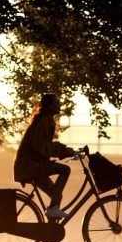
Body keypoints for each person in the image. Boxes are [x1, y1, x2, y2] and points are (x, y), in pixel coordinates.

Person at [13, 93, 75, 221]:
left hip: (32, 165)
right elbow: (39, 146)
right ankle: (52, 210)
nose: (60, 105)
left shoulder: (45, 119)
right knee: (65, 170)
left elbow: (43, 146)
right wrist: (62, 150)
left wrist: (64, 150)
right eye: (57, 103)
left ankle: (51, 232)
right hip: (31, 166)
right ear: (49, 106)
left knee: (55, 195)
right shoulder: (44, 120)